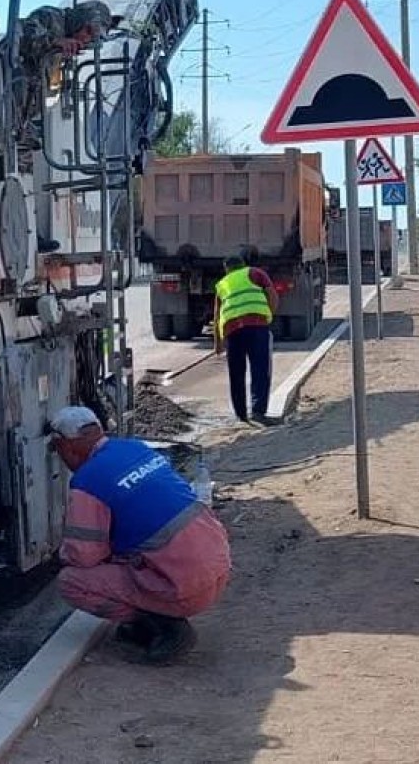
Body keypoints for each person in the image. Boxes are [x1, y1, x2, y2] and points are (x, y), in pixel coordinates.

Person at [46, 405, 231, 664]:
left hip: (186, 588)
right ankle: (159, 615)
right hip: (218, 568)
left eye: (58, 450)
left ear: (66, 446)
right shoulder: (134, 448)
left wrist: (62, 553)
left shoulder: (88, 481)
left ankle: (164, 626)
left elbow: (84, 557)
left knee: (72, 581)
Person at [8, 0, 114, 153]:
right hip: (9, 86)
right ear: (80, 20)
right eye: (88, 31)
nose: (86, 39)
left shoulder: (68, 48)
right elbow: (24, 37)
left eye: (92, 38)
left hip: (27, 108)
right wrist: (55, 42)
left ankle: (22, 126)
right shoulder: (51, 17)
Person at [214, 254, 279, 424]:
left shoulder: (222, 284)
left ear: (226, 269)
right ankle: (258, 412)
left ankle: (241, 415)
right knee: (260, 369)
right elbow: (272, 296)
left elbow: (217, 315)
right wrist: (268, 316)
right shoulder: (256, 273)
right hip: (257, 326)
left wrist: (218, 344)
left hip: (232, 331)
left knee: (236, 374)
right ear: (243, 265)